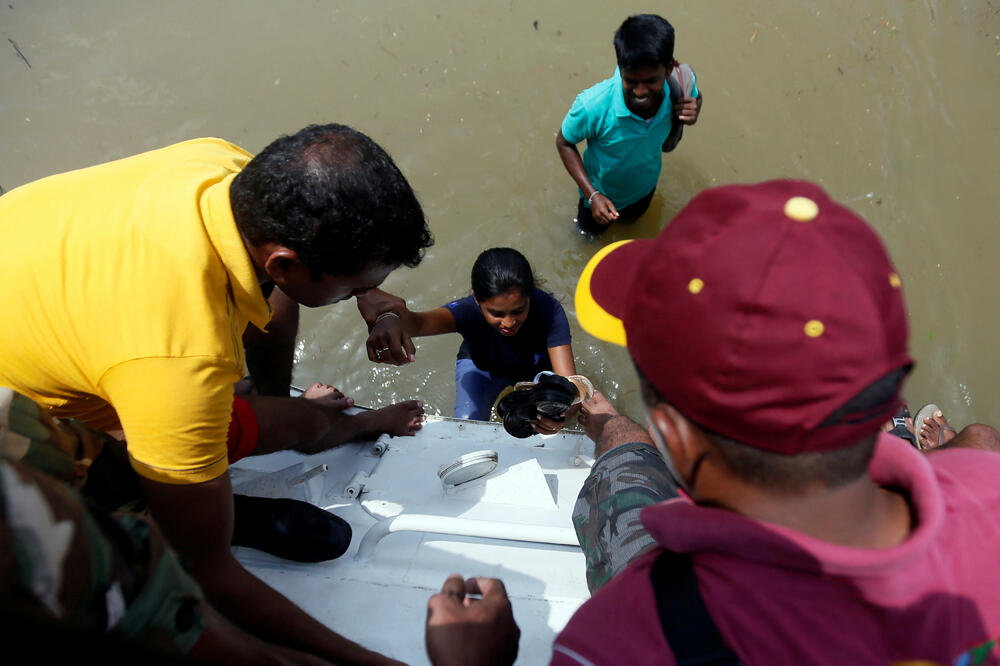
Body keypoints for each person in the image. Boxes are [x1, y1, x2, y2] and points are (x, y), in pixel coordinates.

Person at [424, 180, 1000, 665]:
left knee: (620, 447)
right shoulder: (987, 487)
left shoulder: (620, 637)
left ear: (676, 439)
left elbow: (623, 447)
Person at [0, 123, 434, 664]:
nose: (365, 296)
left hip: (58, 302)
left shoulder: (221, 169)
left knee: (278, 388)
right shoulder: (181, 362)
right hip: (29, 422)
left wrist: (366, 293)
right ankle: (165, 501)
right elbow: (206, 574)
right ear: (284, 263)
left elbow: (276, 290)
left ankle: (213, 472)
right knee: (151, 537)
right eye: (355, 287)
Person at [358, 247, 579, 433]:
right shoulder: (466, 311)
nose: (509, 322)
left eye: (518, 310)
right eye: (497, 313)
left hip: (534, 372)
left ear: (530, 295)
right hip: (483, 369)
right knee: (466, 430)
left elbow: (572, 386)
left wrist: (558, 418)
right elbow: (417, 323)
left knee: (548, 423)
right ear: (476, 299)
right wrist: (389, 318)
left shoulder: (549, 310)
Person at [555, 14, 703, 234]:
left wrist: (694, 111)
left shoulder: (681, 86)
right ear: (620, 67)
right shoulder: (594, 105)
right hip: (599, 200)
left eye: (651, 81)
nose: (640, 92)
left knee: (631, 231)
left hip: (644, 191)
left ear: (669, 68)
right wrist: (592, 195)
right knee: (587, 237)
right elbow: (564, 142)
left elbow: (696, 97)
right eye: (631, 81)